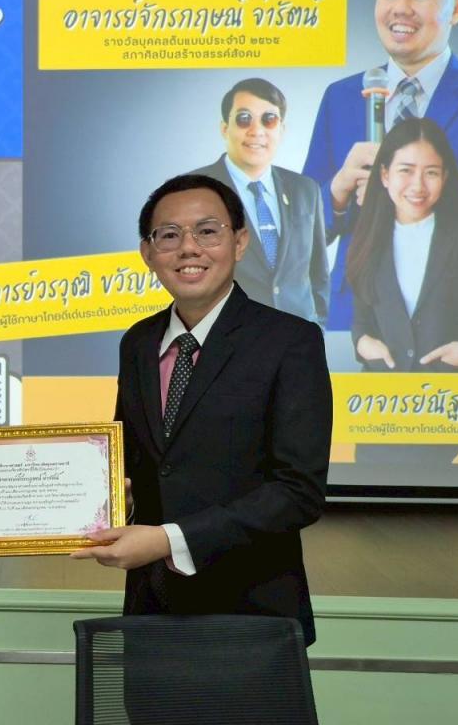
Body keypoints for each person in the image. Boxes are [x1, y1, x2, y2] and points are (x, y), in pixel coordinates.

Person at [72, 174, 332, 647]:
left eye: (208, 231)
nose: (188, 248)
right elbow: (132, 461)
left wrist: (168, 539)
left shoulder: (290, 341)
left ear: (240, 242)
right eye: (169, 235)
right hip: (151, 607)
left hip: (253, 614)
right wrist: (101, 496)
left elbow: (298, 492)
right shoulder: (138, 343)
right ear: (148, 252)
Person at [303, 0, 458, 330]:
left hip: (454, 324)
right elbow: (300, 236)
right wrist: (337, 193)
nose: (400, 8)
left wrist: (437, 198)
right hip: (354, 320)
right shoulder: (341, 97)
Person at [347, 117, 458, 372]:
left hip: (450, 392)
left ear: (445, 177)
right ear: (384, 175)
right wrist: (362, 342)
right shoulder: (368, 239)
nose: (418, 185)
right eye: (406, 170)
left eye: (431, 173)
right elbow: (362, 321)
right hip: (381, 391)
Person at [193, 77, 329, 326]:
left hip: (297, 340)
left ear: (281, 130)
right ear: (224, 128)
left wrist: (316, 327)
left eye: (269, 119)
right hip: (228, 340)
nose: (257, 131)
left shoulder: (305, 189)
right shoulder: (192, 191)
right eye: (244, 119)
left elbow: (318, 273)